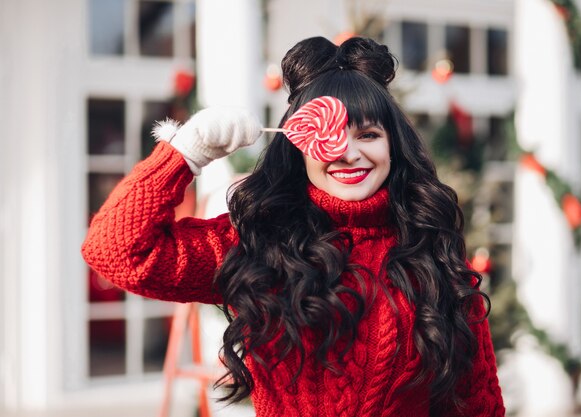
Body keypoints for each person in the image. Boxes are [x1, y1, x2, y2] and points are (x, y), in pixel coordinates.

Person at [82, 36, 505, 416]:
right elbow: (116, 250)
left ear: (393, 145)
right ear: (300, 146)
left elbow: (477, 402)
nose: (349, 153)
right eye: (331, 137)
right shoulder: (261, 242)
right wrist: (185, 153)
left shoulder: (430, 249)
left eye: (369, 135)